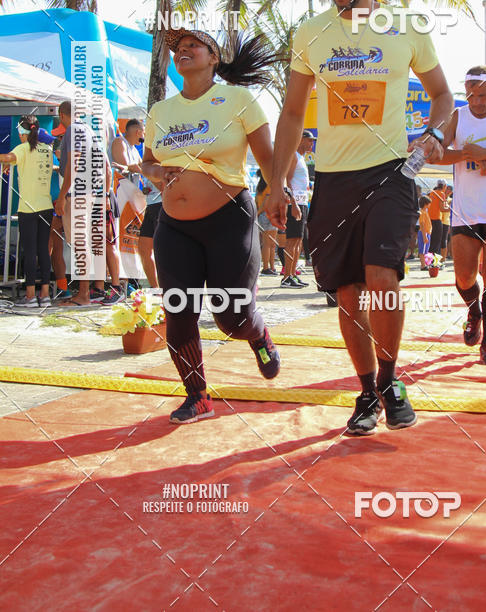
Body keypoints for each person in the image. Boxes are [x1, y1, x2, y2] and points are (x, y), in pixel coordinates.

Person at [266, 0, 453, 434]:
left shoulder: (407, 27)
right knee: (347, 294)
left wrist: (433, 133)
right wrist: (277, 182)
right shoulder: (310, 33)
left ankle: (392, 383)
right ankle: (367, 390)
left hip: (391, 172)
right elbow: (289, 113)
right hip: (331, 179)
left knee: (382, 279)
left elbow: (442, 95)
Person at [141, 27, 285, 425]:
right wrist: (156, 172)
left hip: (228, 220)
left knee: (232, 318)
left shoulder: (238, 99)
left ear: (213, 58)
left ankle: (257, 334)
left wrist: (277, 193)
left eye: (192, 46)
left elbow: (268, 156)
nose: (182, 51)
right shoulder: (160, 111)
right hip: (174, 226)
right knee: (180, 311)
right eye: (177, 49)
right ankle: (198, 397)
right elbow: (148, 161)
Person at [438, 65, 486, 366]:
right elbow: (438, 153)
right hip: (465, 213)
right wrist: (466, 154)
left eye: (483, 95)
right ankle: (474, 311)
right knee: (464, 277)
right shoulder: (457, 116)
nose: (477, 101)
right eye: (471, 95)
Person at [54, 100, 124, 306]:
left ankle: (83, 294)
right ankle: (91, 290)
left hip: (77, 194)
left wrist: (62, 194)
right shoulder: (90, 131)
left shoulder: (72, 130)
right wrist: (103, 194)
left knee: (80, 244)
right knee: (90, 242)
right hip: (92, 193)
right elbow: (106, 166)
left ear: (62, 115)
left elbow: (73, 163)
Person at [0, 115, 53, 312]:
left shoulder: (22, 148)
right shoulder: (46, 149)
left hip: (28, 208)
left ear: (22, 132)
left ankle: (30, 295)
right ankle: (45, 295)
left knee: (29, 251)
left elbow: (8, 158)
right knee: (43, 251)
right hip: (46, 206)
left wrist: (7, 161)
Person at [281, 130, 314, 288]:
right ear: (300, 139)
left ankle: (292, 274)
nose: (311, 143)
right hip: (294, 203)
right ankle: (286, 276)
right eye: (309, 140)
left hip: (302, 203)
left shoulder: (302, 157)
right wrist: (293, 204)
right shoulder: (294, 155)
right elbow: (287, 181)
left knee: (299, 240)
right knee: (292, 240)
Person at [255, 171, 278, 275]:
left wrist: (258, 214)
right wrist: (259, 213)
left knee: (269, 244)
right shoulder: (270, 185)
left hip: (265, 215)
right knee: (270, 244)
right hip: (269, 214)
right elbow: (266, 202)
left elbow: (257, 202)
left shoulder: (259, 188)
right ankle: (267, 267)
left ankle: (269, 267)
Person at [428, 179, 447, 258]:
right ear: (444, 186)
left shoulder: (431, 193)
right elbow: (442, 209)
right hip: (436, 220)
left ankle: (429, 261)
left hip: (430, 220)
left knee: (431, 242)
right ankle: (435, 263)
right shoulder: (441, 194)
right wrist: (451, 208)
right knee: (437, 243)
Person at [417, 194, 432, 270]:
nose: (430, 205)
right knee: (422, 250)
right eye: (429, 203)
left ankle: (425, 264)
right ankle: (423, 265)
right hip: (424, 233)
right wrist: (424, 236)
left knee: (425, 250)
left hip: (427, 233)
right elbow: (422, 224)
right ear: (426, 204)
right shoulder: (422, 212)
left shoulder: (425, 212)